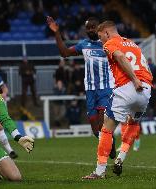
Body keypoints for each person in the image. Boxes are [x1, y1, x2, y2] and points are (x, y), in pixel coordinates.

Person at [82, 21, 153, 179]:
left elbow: (120, 56)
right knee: (133, 124)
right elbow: (146, 67)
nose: (101, 42)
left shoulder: (110, 43)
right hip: (146, 89)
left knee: (106, 129)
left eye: (101, 37)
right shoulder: (134, 44)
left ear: (107, 33)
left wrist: (134, 80)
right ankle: (120, 158)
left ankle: (99, 172)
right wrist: (142, 84)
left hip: (128, 87)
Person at [47, 16, 116, 159]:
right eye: (88, 28)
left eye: (93, 27)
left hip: (106, 89)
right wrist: (57, 33)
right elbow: (64, 53)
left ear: (99, 28)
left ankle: (106, 152)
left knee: (103, 125)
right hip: (90, 90)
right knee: (95, 129)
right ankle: (110, 141)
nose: (90, 29)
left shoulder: (108, 44)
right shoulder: (83, 44)